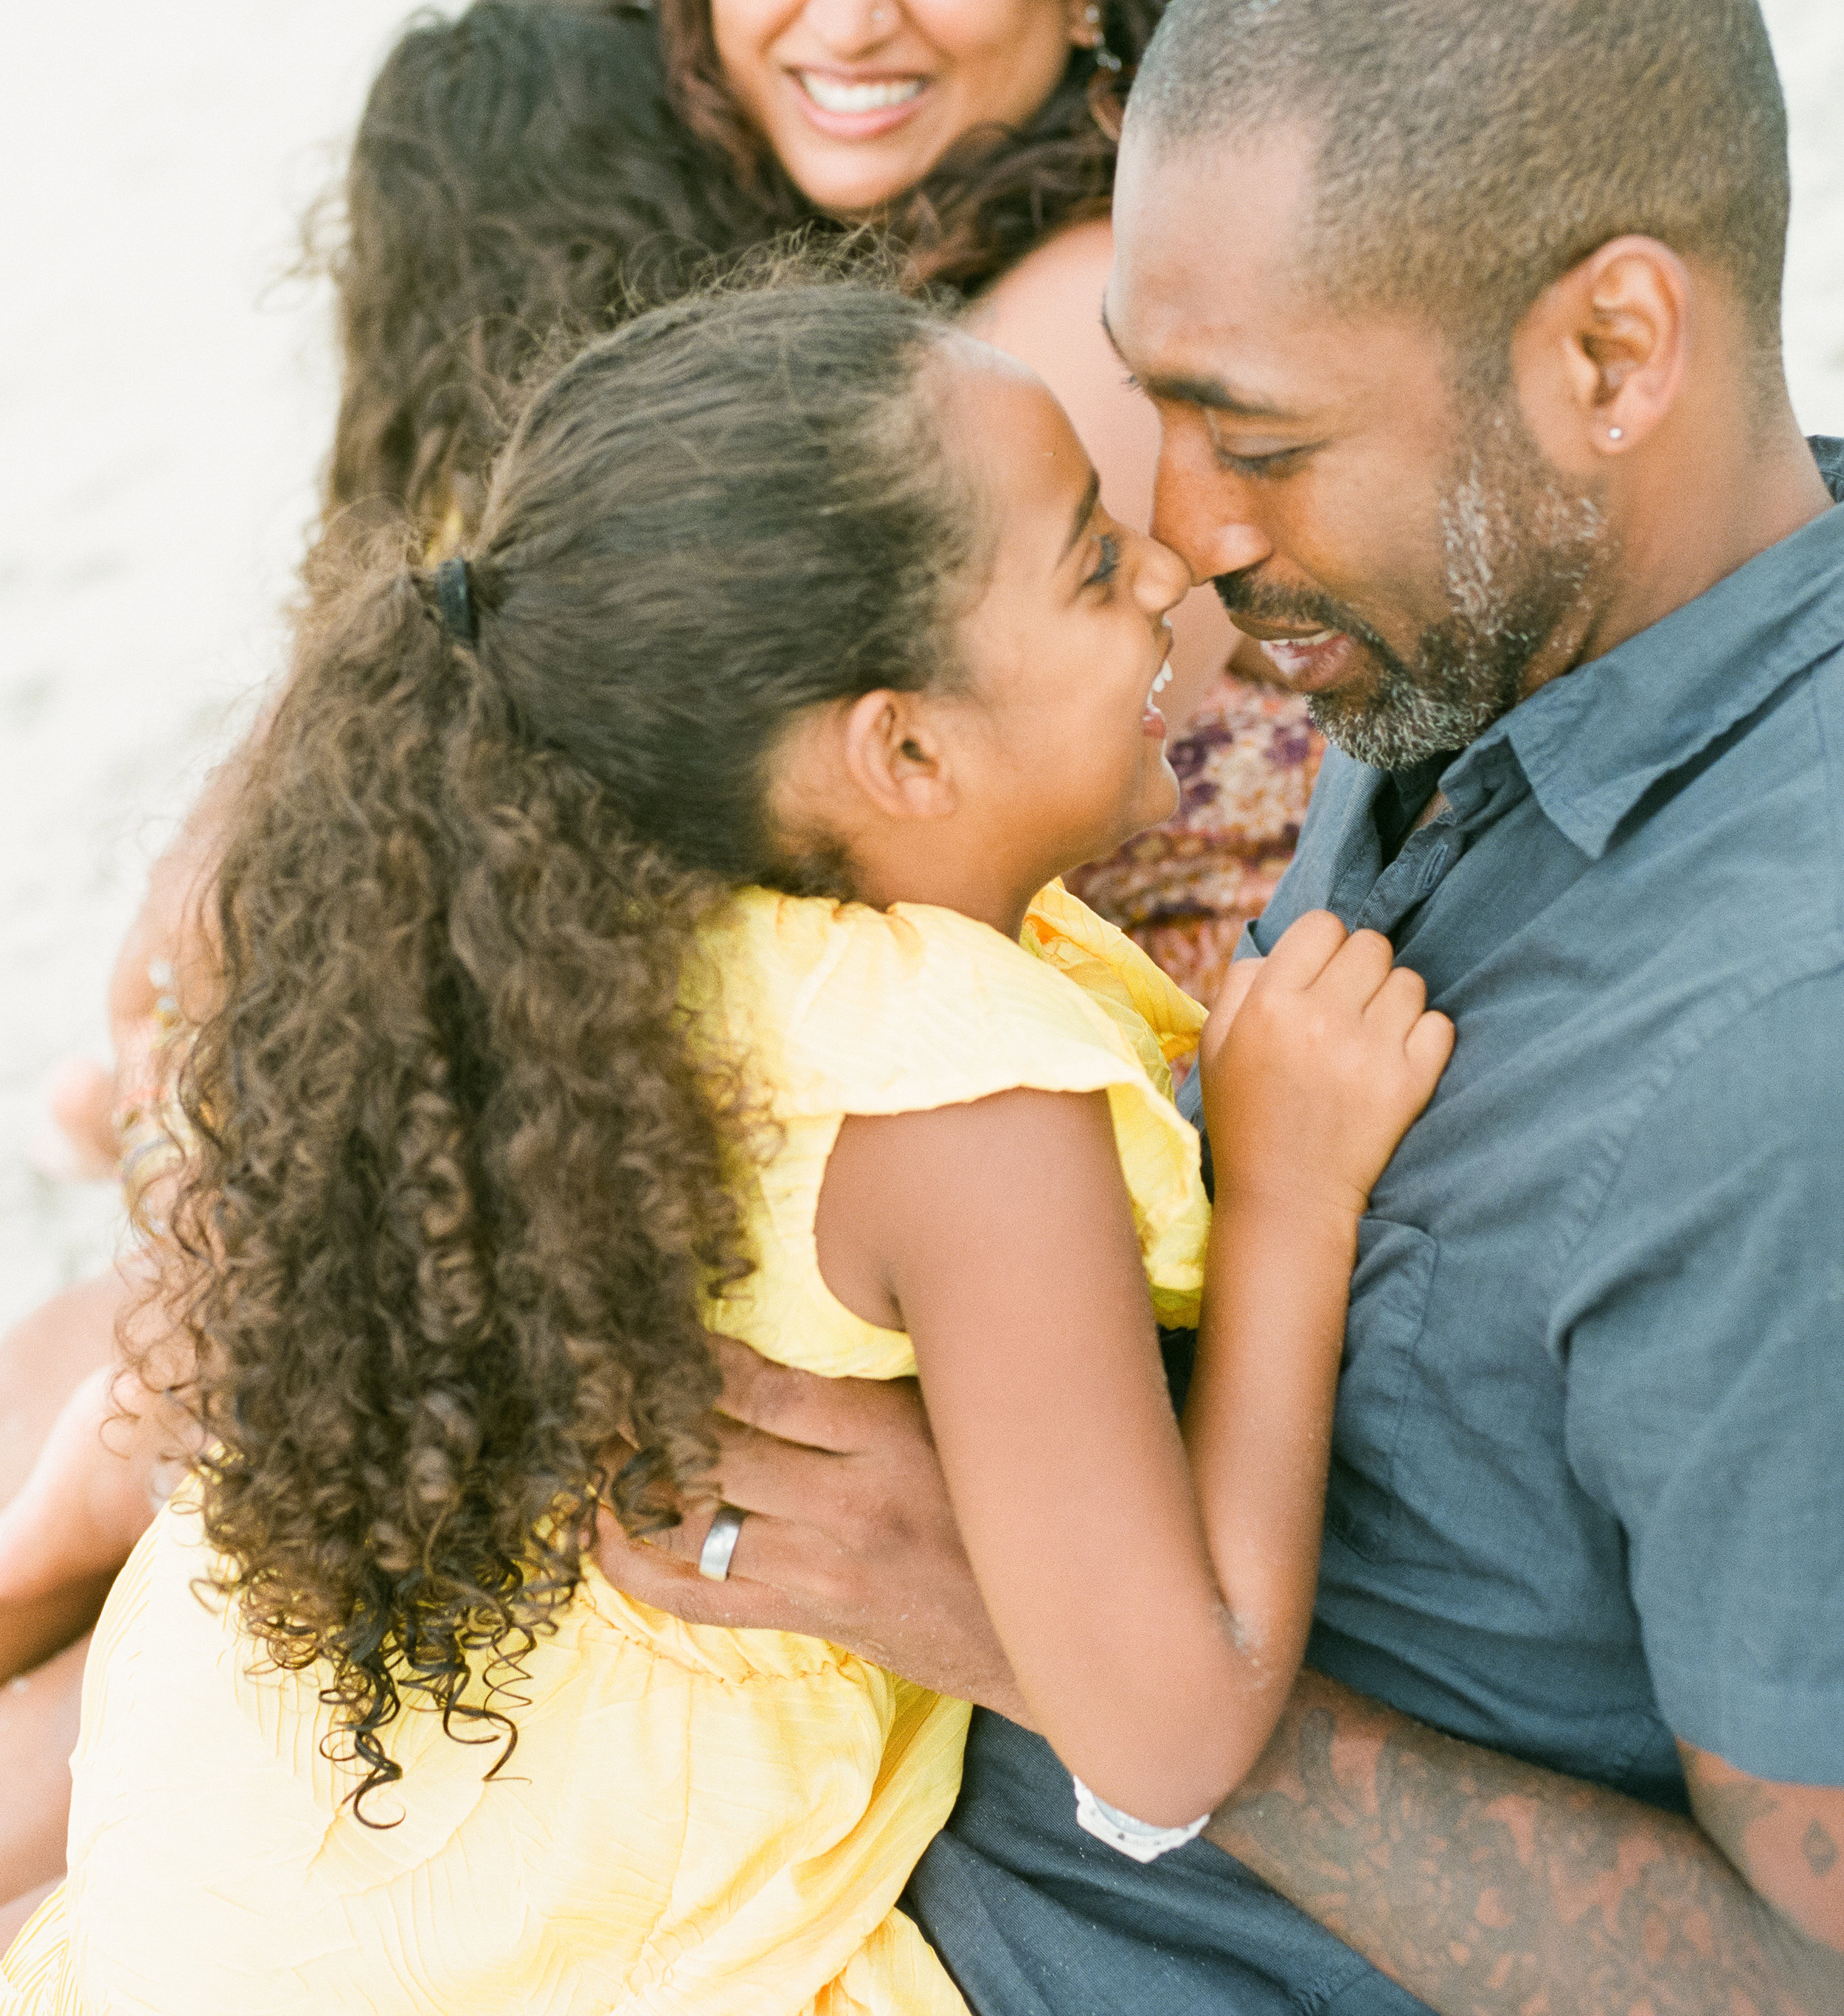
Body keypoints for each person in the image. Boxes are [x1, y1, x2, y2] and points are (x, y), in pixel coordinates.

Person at [585, 0, 1844, 2015]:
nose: (1181, 529)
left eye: (1249, 434)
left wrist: (999, 1607)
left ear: (1615, 349)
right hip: (825, 1857)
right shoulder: (1485, 612)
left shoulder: (1779, 1059)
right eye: (1155, 405)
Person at [0, 280, 1449, 2009]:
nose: (1161, 571)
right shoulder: (960, 1099)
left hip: (208, 1891)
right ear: (899, 749)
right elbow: (1169, 1726)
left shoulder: (538, 942)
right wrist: (1290, 1193)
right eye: (1084, 565)